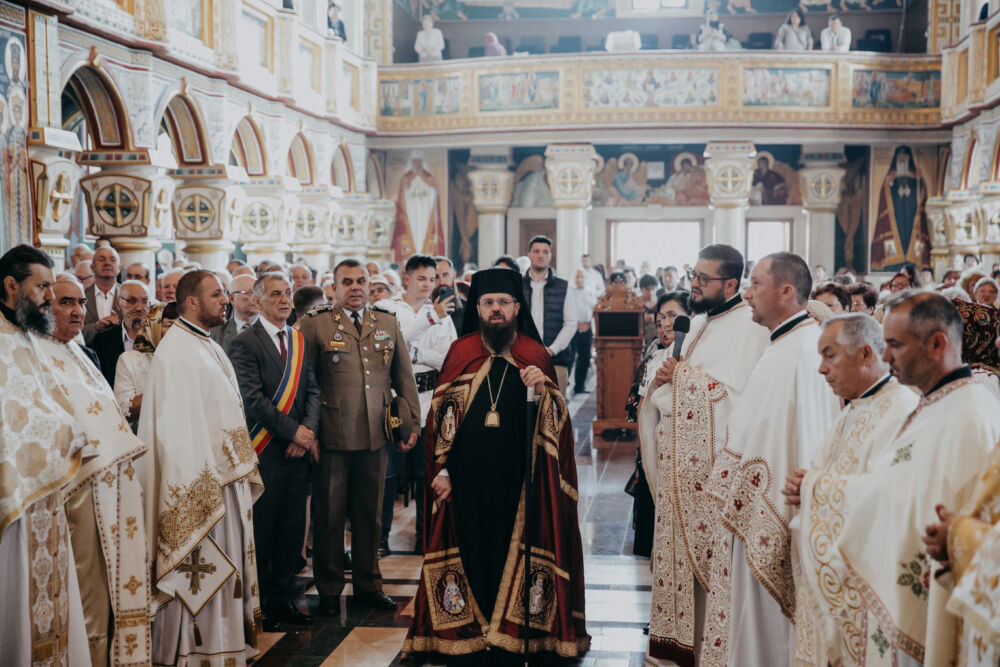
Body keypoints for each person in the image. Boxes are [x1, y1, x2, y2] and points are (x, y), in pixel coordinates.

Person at [788, 292, 1000, 666]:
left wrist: (817, 489)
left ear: (937, 343)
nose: (884, 356)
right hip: (898, 601)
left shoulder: (970, 415)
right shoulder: (934, 404)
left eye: (895, 345)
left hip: (932, 602)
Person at [402, 268, 590, 660]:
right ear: (479, 308)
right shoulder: (461, 352)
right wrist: (443, 470)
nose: (496, 310)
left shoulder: (534, 354)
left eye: (503, 302)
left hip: (521, 483)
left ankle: (514, 628)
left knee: (513, 550)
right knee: (470, 551)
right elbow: (442, 422)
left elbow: (556, 427)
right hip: (465, 480)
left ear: (517, 308)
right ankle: (469, 627)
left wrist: (542, 391)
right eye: (488, 303)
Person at [700, 252, 839, 666]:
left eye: (756, 284)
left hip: (777, 519)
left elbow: (812, 440)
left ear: (787, 291)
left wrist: (793, 518)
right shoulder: (780, 343)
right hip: (750, 516)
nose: (747, 293)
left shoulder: (806, 350)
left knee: (772, 636)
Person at [640, 246, 770, 665]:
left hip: (713, 477)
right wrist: (669, 377)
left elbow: (740, 403)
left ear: (731, 284)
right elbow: (681, 382)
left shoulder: (750, 329)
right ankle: (678, 648)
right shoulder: (695, 324)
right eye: (693, 274)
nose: (694, 283)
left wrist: (686, 381)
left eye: (704, 278)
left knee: (714, 572)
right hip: (678, 468)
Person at [138, 269, 263, 665]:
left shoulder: (203, 343)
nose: (224, 300)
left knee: (226, 574)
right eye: (216, 294)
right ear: (191, 301)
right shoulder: (176, 353)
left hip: (223, 480)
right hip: (199, 486)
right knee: (203, 571)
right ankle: (195, 651)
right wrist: (199, 488)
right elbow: (175, 432)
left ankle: (225, 645)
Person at [781, 314, 918, 666]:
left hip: (871, 584)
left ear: (866, 354)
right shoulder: (854, 407)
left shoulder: (900, 408)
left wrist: (813, 487)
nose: (821, 369)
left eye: (830, 355)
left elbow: (894, 494)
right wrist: (807, 486)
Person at [35, 274, 155, 667]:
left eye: (80, 303)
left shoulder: (82, 354)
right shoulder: (35, 357)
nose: (76, 310)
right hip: (74, 495)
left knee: (108, 589)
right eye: (64, 302)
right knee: (85, 588)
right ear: (44, 307)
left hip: (111, 492)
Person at [298, 259, 420, 617]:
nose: (355, 287)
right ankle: (331, 589)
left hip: (375, 435)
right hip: (332, 437)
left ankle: (369, 585)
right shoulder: (315, 323)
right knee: (330, 518)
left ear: (370, 285)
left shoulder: (386, 321)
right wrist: (309, 431)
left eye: (361, 281)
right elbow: (306, 382)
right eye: (346, 282)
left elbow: (404, 376)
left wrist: (408, 424)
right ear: (333, 287)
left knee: (371, 517)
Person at [0, 246, 95, 666]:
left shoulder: (25, 335)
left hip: (44, 492)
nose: (46, 297)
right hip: (13, 495)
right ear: (11, 285)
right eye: (41, 287)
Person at [228, 273, 320, 631]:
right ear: (258, 299)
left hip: (298, 454)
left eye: (288, 294)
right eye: (277, 294)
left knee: (291, 532)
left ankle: (285, 599)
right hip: (265, 451)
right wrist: (292, 431)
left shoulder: (298, 340)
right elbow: (252, 401)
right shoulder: (245, 343)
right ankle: (264, 603)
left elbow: (312, 390)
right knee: (265, 532)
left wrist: (306, 434)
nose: (285, 300)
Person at [375, 254, 458, 555]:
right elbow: (389, 343)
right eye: (421, 278)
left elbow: (449, 357)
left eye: (432, 279)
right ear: (406, 278)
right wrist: (428, 320)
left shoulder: (441, 314)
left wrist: (419, 354)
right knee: (387, 474)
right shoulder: (386, 307)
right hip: (393, 400)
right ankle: (380, 538)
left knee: (427, 472)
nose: (427, 284)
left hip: (428, 398)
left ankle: (425, 536)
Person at [522, 235, 576, 395]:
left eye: (545, 252)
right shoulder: (518, 285)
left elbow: (571, 323)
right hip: (523, 359)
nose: (541, 255)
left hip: (555, 359)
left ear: (550, 256)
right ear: (529, 254)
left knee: (554, 410)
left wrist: (551, 350)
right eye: (536, 251)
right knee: (522, 411)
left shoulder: (563, 286)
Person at [115, 301, 177, 428]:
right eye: (169, 325)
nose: (176, 332)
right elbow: (125, 412)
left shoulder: (189, 359)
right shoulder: (129, 360)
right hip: (144, 434)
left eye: (180, 327)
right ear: (153, 327)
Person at [872, 146, 930, 270]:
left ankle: (912, 260)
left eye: (905, 157)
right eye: (900, 158)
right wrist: (889, 182)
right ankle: (895, 262)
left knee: (911, 238)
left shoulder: (917, 177)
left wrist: (916, 178)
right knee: (897, 237)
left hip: (912, 216)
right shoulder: (890, 177)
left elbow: (923, 195)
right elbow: (884, 199)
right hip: (896, 217)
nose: (903, 160)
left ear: (909, 159)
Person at [91, 280, 150, 387]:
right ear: (118, 303)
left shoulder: (158, 339)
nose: (139, 307)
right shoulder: (102, 341)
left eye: (144, 301)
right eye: (132, 301)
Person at [392, 150, 446, 260]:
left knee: (425, 235)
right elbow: (402, 197)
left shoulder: (429, 177)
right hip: (410, 216)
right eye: (415, 161)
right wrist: (413, 177)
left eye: (419, 161)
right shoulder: (406, 178)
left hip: (425, 214)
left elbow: (434, 193)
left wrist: (422, 177)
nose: (417, 164)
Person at [51, 273, 100, 368]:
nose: (79, 312)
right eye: (67, 303)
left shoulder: (88, 355)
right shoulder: (32, 354)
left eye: (81, 303)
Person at [567, 268, 598, 394]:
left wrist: (589, 325)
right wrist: (576, 324)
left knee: (584, 359)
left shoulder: (590, 291)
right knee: (570, 357)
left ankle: (579, 386)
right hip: (573, 329)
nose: (580, 279)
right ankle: (565, 383)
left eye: (582, 277)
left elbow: (594, 309)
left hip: (587, 328)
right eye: (577, 276)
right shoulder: (570, 291)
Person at [210, 273, 259, 352]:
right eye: (250, 292)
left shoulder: (274, 331)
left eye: (259, 292)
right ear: (232, 298)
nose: (256, 298)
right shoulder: (215, 333)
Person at [83, 245, 121, 343]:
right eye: (102, 259)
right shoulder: (81, 296)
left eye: (112, 260)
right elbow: (74, 331)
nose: (107, 263)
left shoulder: (128, 296)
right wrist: (96, 326)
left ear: (119, 268)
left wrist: (120, 324)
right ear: (92, 267)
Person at [435, 255, 465, 329]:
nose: (442, 282)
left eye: (445, 275)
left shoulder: (469, 308)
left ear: (454, 275)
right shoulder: (423, 310)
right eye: (436, 277)